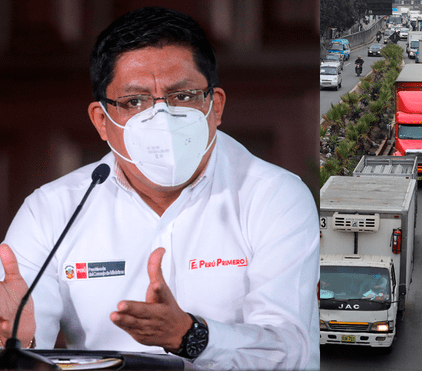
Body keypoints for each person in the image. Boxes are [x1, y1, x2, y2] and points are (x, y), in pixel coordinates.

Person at [0, 6, 319, 371]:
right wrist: (18, 339)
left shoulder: (274, 196)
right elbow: (22, 342)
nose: (161, 118)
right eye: (135, 102)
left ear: (214, 107)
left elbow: (291, 352)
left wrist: (191, 335)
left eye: (182, 96)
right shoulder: (52, 210)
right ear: (102, 121)